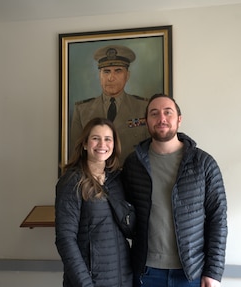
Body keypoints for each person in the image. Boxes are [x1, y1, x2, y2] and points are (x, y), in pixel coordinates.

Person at [122, 94, 228, 287]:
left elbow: (218, 218)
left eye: (167, 112)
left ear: (179, 119)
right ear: (146, 121)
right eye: (154, 113)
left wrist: (213, 271)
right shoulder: (133, 164)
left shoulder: (204, 164)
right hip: (145, 272)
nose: (161, 118)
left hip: (190, 273)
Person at [55, 117, 135, 287]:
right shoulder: (73, 181)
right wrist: (84, 283)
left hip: (123, 278)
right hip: (90, 281)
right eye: (95, 138)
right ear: (85, 144)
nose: (102, 144)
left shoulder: (117, 180)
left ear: (114, 145)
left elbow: (130, 228)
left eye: (108, 139)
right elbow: (65, 239)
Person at [70, 44, 150, 164]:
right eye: (106, 72)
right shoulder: (82, 110)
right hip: (95, 178)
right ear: (99, 76)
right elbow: (76, 153)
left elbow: (150, 150)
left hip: (132, 178)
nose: (111, 78)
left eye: (118, 71)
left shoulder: (144, 107)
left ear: (127, 75)